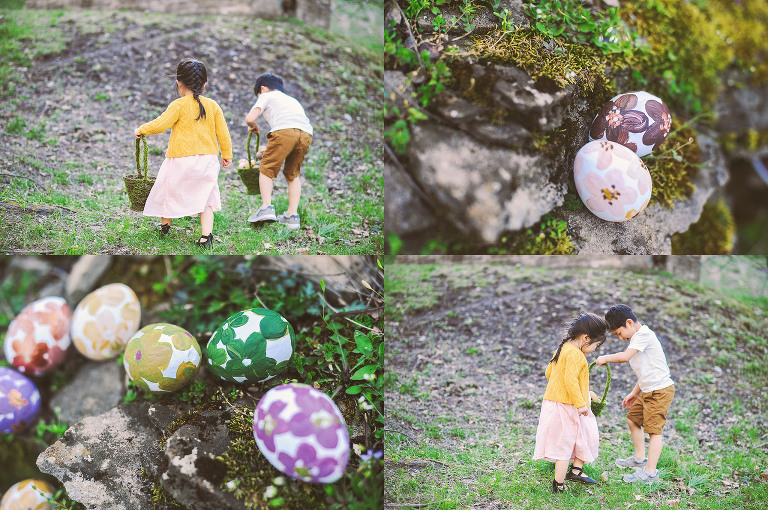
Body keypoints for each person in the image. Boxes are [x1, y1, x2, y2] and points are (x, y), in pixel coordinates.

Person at [134, 58, 232, 247]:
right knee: (206, 196)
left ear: (179, 83)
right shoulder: (213, 106)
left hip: (180, 159)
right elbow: (224, 133)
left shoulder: (178, 105)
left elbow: (160, 124)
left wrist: (141, 129)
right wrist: (226, 154)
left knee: (169, 190)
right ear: (204, 84)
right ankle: (206, 237)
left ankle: (165, 227)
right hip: (208, 159)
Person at [596, 304, 675, 484]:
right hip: (647, 390)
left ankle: (650, 473)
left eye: (619, 333)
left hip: (660, 391)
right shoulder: (637, 339)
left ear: (629, 323)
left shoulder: (644, 335)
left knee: (654, 431)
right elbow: (646, 372)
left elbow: (625, 357)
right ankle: (640, 459)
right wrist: (634, 392)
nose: (620, 337)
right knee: (633, 419)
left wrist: (605, 358)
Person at [534, 313, 607, 493]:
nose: (594, 350)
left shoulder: (562, 348)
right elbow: (570, 380)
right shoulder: (577, 355)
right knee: (566, 445)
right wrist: (580, 403)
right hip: (568, 406)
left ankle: (576, 471)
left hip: (555, 403)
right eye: (596, 346)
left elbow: (550, 373)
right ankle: (558, 484)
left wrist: (585, 393)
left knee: (580, 435)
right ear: (586, 338)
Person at [245, 73, 313, 230]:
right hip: (305, 134)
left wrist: (253, 126)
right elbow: (291, 133)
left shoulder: (266, 95)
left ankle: (266, 207)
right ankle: (292, 216)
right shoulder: (292, 100)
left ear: (263, 89)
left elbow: (249, 118)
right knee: (292, 174)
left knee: (266, 168)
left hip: (284, 132)